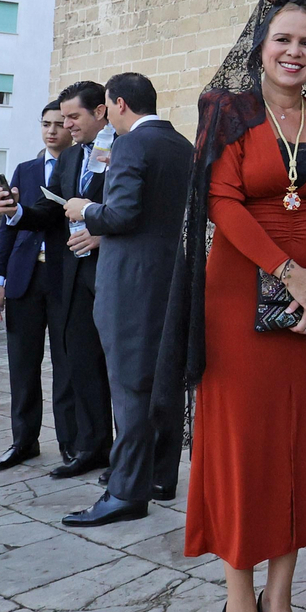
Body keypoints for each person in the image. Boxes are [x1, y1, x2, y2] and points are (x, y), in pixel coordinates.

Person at [153, 0, 306, 612]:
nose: (294, 52)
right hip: (241, 296)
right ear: (261, 48)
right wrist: (288, 272)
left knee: (298, 449)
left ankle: (282, 600)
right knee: (246, 451)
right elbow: (221, 200)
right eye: (283, 40)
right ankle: (239, 602)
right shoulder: (227, 111)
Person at [59, 72, 193, 527]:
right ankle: (159, 475)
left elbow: (121, 213)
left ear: (116, 104)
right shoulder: (181, 144)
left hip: (131, 284)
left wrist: (84, 210)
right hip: (170, 278)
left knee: (130, 386)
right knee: (163, 380)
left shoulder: (131, 144)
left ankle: (125, 491)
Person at [0, 80, 114, 479]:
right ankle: (51, 443)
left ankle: (84, 444)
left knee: (83, 365)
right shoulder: (67, 159)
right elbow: (47, 210)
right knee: (42, 364)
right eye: (57, 120)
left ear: (100, 111)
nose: (62, 126)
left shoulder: (124, 148)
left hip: (94, 276)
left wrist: (101, 230)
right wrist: (15, 213)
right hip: (44, 278)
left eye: (70, 118)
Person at [0, 101, 78, 471]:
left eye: (59, 123)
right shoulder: (25, 170)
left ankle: (72, 444)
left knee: (67, 363)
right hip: (24, 276)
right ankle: (23, 441)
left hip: (64, 276)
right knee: (22, 365)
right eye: (46, 124)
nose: (52, 130)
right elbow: (8, 225)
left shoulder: (84, 167)